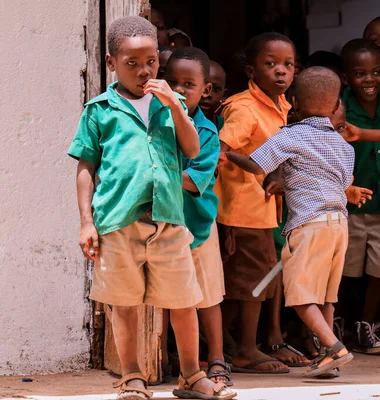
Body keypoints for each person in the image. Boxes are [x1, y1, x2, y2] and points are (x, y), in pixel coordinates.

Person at [67, 16, 234, 400]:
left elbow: (192, 150)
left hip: (169, 222)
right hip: (119, 222)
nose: (144, 71)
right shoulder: (99, 110)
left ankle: (192, 376)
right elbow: (85, 168)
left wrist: (175, 106)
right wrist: (86, 223)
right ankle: (132, 377)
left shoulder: (170, 105)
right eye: (132, 64)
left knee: (183, 302)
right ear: (111, 62)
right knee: (124, 305)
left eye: (151, 63)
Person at [225, 66, 360, 378]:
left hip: (309, 224)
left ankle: (335, 348)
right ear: (337, 106)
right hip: (339, 224)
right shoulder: (344, 146)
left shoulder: (290, 136)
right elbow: (342, 182)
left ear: (294, 103)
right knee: (326, 295)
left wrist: (230, 153)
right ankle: (328, 359)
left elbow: (256, 163)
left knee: (299, 296)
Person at [214, 32, 297, 374]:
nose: (281, 71)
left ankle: (233, 343)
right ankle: (247, 349)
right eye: (271, 64)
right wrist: (256, 170)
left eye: (288, 64)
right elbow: (222, 148)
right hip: (242, 208)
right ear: (252, 71)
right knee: (253, 281)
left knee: (252, 279)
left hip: (263, 210)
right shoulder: (245, 108)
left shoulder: (282, 107)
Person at [164, 47, 237, 388]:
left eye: (188, 84)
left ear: (205, 89)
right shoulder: (156, 124)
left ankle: (219, 360)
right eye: (173, 82)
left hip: (198, 226)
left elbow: (193, 181)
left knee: (207, 297)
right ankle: (164, 359)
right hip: (163, 226)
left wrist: (153, 172)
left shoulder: (207, 134)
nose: (179, 90)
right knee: (167, 297)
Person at [336, 38, 380, 355]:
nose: (370, 80)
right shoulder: (339, 109)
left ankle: (368, 327)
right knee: (344, 271)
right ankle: (336, 326)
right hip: (347, 207)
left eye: (375, 72)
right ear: (346, 77)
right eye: (360, 74)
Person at [200, 60, 227, 129]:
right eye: (203, 87)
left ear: (224, 95)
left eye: (216, 89)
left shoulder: (226, 126)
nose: (208, 95)